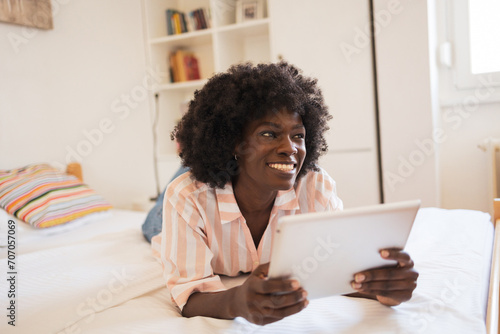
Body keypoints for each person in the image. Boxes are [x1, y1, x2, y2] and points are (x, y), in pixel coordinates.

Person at [150, 62, 418, 325]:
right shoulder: (188, 196)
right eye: (269, 133)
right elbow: (189, 296)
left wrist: (385, 289)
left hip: (241, 168)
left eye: (298, 135)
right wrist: (238, 302)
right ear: (234, 141)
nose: (289, 148)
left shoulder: (315, 187)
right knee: (153, 224)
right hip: (206, 182)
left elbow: (337, 269)